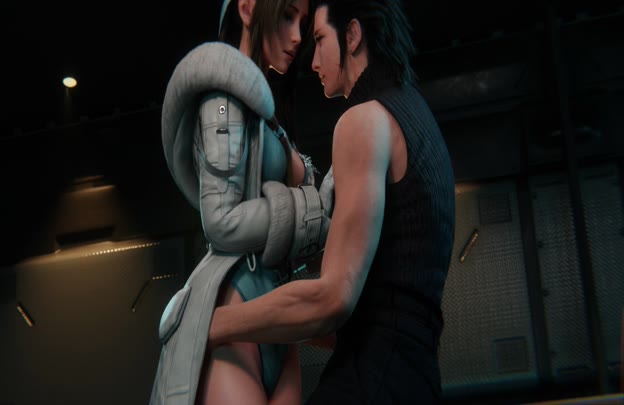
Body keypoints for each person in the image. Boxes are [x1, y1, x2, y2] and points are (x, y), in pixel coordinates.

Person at [207, 0, 456, 403]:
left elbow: (333, 299)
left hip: (373, 381)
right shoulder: (416, 115)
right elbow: (368, 312)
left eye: (320, 39)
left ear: (352, 36)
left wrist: (209, 323)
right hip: (417, 379)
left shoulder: (363, 121)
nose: (313, 59)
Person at [150, 0, 331, 404]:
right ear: (247, 8)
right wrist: (312, 213)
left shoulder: (264, 112)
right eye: (286, 15)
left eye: (301, 22)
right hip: (235, 304)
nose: (297, 36)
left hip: (272, 310)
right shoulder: (224, 100)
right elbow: (222, 220)